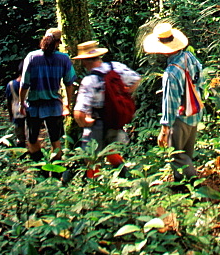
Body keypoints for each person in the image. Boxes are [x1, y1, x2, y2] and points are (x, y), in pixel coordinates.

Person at [142, 21, 203, 183]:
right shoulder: (189, 57)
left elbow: (170, 102)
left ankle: (197, 187)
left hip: (180, 118)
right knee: (187, 153)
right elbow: (200, 77)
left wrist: (164, 129)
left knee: (176, 155)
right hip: (194, 112)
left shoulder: (171, 73)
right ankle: (181, 186)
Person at [72, 39, 141, 152]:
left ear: (84, 62)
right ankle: (120, 169)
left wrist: (84, 122)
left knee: (92, 158)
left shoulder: (89, 80)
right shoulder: (115, 67)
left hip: (97, 122)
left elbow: (79, 113)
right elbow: (137, 80)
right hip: (115, 119)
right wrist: (124, 93)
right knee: (115, 153)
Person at [18, 27, 76, 162]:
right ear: (57, 43)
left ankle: (40, 169)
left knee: (32, 139)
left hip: (33, 105)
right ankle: (56, 174)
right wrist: (67, 102)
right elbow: (69, 83)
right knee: (55, 141)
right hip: (54, 106)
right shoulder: (64, 58)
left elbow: (24, 84)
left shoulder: (32, 57)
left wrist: (21, 103)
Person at [5, 61, 26, 147]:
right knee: (31, 136)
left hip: (17, 113)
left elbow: (9, 101)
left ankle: (22, 154)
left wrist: (11, 115)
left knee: (20, 136)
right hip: (30, 112)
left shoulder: (11, 85)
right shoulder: (32, 84)